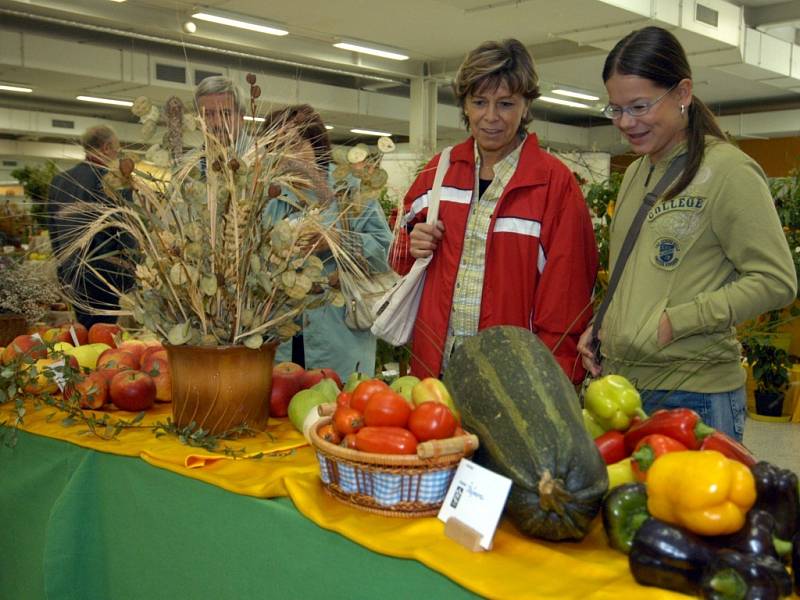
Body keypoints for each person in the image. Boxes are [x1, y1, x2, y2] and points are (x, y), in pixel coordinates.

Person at [577, 26, 797, 440]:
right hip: (626, 388)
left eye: (639, 106)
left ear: (682, 93)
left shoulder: (729, 171)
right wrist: (606, 324)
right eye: (616, 109)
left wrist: (676, 322)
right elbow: (640, 275)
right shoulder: (637, 173)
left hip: (694, 393)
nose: (626, 122)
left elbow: (776, 281)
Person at [392, 39, 598, 383]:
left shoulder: (554, 185)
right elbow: (397, 256)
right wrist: (411, 245)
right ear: (465, 105)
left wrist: (550, 383)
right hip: (434, 371)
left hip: (513, 378)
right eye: (479, 102)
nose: (491, 117)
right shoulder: (437, 174)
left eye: (505, 104)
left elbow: (567, 301)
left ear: (525, 105)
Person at [263, 104, 394, 380]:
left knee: (339, 414)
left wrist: (335, 241)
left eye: (295, 144)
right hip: (276, 342)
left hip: (339, 340)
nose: (288, 156)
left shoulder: (349, 189)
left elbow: (386, 251)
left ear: (316, 143)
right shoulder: (267, 194)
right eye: (277, 147)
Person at [48, 125, 133, 328]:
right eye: (116, 149)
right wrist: (134, 269)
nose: (116, 154)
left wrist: (64, 268)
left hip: (71, 271)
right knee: (105, 335)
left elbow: (53, 229)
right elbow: (126, 230)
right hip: (107, 273)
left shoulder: (59, 181)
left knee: (85, 332)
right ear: (106, 147)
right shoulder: (113, 181)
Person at [194, 75, 246, 148]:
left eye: (225, 114)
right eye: (207, 114)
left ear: (241, 118)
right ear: (198, 119)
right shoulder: (189, 158)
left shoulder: (264, 157)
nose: (217, 123)